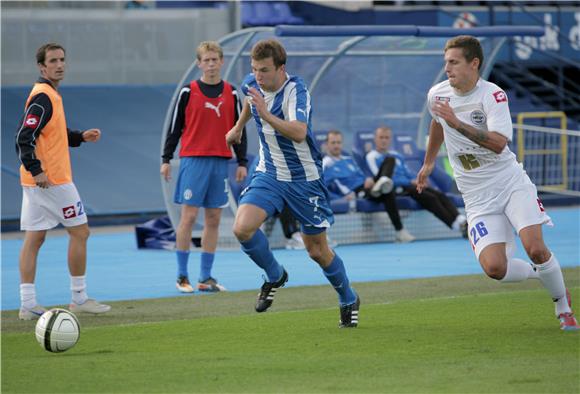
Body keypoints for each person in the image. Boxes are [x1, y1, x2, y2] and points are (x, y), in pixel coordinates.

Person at [418, 35, 578, 331]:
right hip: (476, 196)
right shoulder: (437, 95)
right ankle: (542, 274)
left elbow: (498, 144)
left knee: (536, 248)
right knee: (494, 268)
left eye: (453, 62)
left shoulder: (493, 96)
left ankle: (563, 307)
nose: (447, 69)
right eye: (446, 63)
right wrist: (428, 162)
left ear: (473, 63)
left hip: (509, 184)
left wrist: (456, 122)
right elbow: (436, 122)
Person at [225, 39, 359, 328]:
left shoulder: (297, 91)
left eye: (264, 70)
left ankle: (348, 297)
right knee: (242, 228)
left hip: (304, 180)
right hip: (270, 173)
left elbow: (298, 132)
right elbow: (251, 101)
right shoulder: (254, 83)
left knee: (317, 251)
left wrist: (266, 114)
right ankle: (275, 275)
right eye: (254, 69)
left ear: (281, 68)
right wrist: (237, 127)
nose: (258, 76)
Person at [15, 43, 111, 320]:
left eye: (62, 60)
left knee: (34, 238)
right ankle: (79, 297)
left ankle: (28, 304)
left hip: (36, 182)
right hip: (52, 180)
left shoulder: (49, 95)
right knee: (80, 233)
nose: (60, 65)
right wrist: (37, 170)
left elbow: (51, 134)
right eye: (53, 61)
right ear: (42, 67)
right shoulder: (43, 96)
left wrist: (80, 136)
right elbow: (24, 136)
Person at [161, 41, 248, 293]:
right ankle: (181, 276)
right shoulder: (188, 92)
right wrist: (166, 160)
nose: (210, 64)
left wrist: (241, 161)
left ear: (222, 62)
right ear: (199, 64)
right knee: (188, 217)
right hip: (193, 161)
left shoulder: (232, 93)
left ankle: (205, 277)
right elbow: (174, 128)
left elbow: (238, 129)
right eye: (206, 60)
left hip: (221, 162)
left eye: (214, 60)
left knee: (214, 218)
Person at [367, 126, 468, 238]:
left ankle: (461, 220)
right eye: (381, 137)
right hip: (394, 188)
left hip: (409, 185)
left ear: (390, 139)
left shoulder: (396, 155)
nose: (384, 140)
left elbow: (408, 172)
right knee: (430, 198)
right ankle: (455, 225)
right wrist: (410, 182)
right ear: (375, 139)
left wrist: (418, 180)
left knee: (438, 193)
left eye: (386, 137)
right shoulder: (372, 157)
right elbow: (381, 180)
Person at [322, 129, 416, 243]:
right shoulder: (325, 163)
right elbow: (322, 188)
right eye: (333, 143)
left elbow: (361, 174)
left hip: (367, 186)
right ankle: (400, 231)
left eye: (339, 142)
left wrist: (368, 178)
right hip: (356, 192)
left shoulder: (348, 159)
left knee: (390, 160)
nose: (337, 146)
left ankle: (381, 182)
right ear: (326, 145)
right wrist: (340, 198)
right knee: (387, 191)